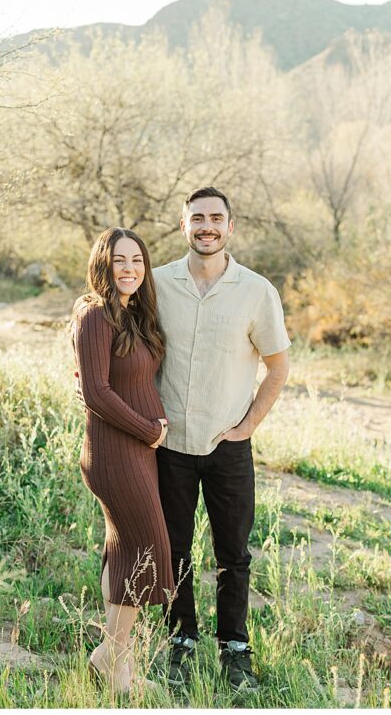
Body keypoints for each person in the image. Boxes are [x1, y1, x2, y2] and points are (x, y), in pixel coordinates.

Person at [153, 186, 291, 691]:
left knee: (233, 553)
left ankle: (234, 645)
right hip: (169, 445)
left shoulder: (256, 290)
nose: (206, 226)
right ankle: (181, 638)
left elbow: (278, 366)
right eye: (197, 218)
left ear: (230, 227)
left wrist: (247, 427)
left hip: (227, 446)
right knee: (174, 547)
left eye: (216, 218)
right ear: (183, 224)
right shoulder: (157, 283)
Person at [71, 227, 173, 693]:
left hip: (137, 452)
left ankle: (116, 663)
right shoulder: (95, 315)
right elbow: (96, 391)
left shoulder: (131, 315)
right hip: (115, 453)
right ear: (103, 265)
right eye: (119, 260)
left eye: (137, 259)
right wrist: (149, 429)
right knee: (148, 544)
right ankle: (112, 657)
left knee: (124, 547)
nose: (130, 268)